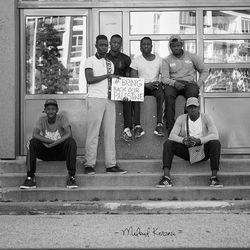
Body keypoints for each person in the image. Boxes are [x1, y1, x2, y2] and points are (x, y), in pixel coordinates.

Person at [156, 97, 223, 188]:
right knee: (168, 143)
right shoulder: (181, 118)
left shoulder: (206, 117)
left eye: (194, 107)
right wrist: (183, 140)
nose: (192, 109)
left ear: (199, 107)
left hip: (202, 149)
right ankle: (166, 178)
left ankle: (214, 178)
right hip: (187, 149)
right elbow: (172, 136)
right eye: (190, 107)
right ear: (186, 109)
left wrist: (199, 140)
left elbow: (215, 135)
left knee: (215, 143)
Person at [84, 34, 127, 175]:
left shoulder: (110, 63)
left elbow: (113, 84)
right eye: (101, 45)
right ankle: (89, 164)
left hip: (109, 100)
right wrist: (108, 76)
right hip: (95, 98)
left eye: (105, 45)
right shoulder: (89, 60)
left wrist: (124, 94)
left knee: (110, 134)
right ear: (96, 45)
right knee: (93, 133)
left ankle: (111, 164)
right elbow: (90, 79)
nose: (104, 47)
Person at [20, 99, 78, 189]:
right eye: (48, 109)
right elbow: (34, 134)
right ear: (45, 110)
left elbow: (69, 134)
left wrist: (52, 144)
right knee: (31, 143)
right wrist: (51, 142)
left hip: (61, 153)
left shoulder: (62, 118)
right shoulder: (41, 119)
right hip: (46, 153)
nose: (51, 111)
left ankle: (71, 177)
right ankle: (30, 178)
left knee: (71, 142)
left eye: (53, 109)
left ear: (57, 110)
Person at [161, 34, 209, 135]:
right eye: (173, 46)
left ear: (181, 45)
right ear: (170, 47)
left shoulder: (191, 56)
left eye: (178, 45)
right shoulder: (166, 60)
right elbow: (164, 78)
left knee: (193, 94)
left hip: (189, 83)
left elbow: (205, 70)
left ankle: (188, 125)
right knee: (168, 94)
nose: (176, 48)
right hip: (174, 84)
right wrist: (174, 83)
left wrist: (198, 83)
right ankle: (170, 126)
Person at [130, 36, 165, 138]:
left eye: (148, 44)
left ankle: (159, 125)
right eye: (143, 44)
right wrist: (145, 85)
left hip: (155, 85)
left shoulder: (159, 60)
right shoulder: (136, 61)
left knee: (162, 94)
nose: (146, 46)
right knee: (135, 95)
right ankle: (137, 126)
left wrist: (159, 82)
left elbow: (164, 76)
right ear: (140, 47)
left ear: (151, 46)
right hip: (141, 86)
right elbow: (133, 78)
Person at [106, 34, 133, 142]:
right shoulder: (104, 58)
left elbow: (128, 78)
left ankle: (127, 129)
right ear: (110, 43)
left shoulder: (126, 59)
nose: (116, 45)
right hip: (106, 89)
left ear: (121, 45)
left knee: (128, 98)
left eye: (118, 43)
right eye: (114, 42)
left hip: (120, 89)